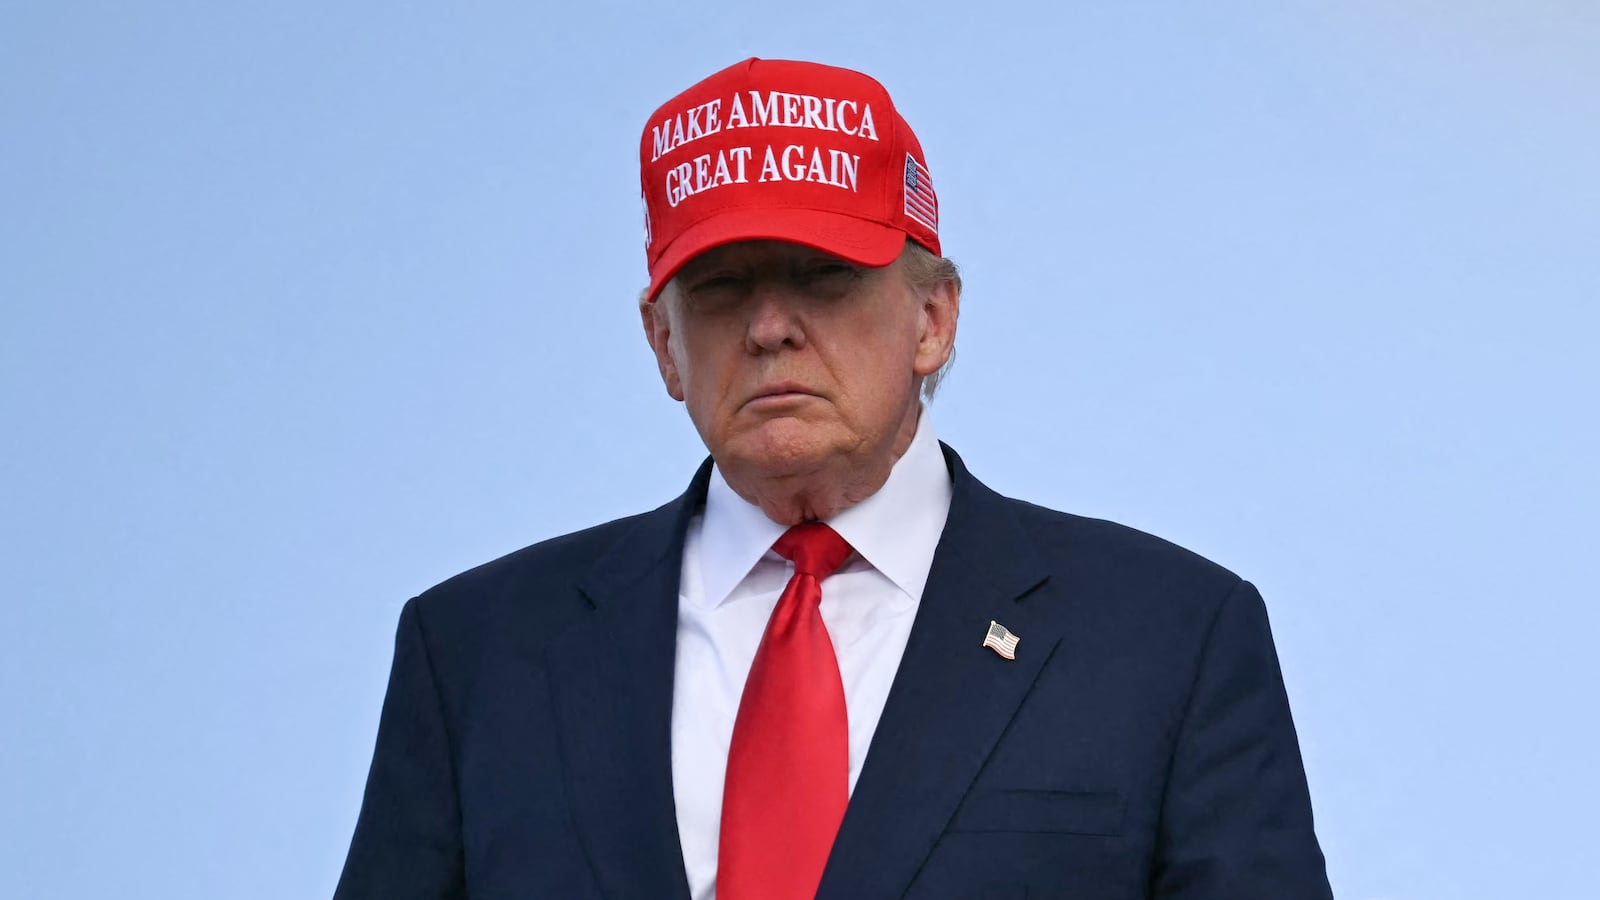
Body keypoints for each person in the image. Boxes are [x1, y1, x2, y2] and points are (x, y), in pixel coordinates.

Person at [334, 57, 1333, 900]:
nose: (769, 326)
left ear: (933, 320)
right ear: (662, 344)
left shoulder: (1166, 636)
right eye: (720, 288)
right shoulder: (476, 655)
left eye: (822, 277)